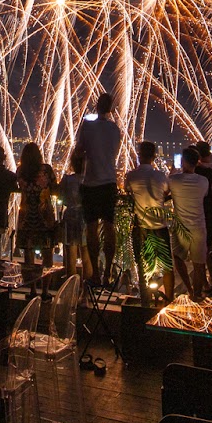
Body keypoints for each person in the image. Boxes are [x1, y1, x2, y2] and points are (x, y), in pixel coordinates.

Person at [74, 92, 122, 285]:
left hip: (91, 182)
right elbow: (114, 153)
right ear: (111, 109)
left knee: (92, 229)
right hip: (109, 182)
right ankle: (108, 272)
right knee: (110, 227)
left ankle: (94, 273)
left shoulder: (87, 127)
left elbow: (79, 151)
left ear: (96, 106)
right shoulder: (114, 129)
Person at [126, 141, 172, 305]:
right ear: (154, 156)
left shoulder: (131, 176)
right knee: (167, 265)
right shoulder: (160, 176)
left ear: (139, 156)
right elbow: (167, 192)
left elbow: (128, 192)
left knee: (142, 265)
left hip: (141, 227)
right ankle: (169, 300)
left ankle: (145, 301)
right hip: (160, 225)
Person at [168, 146, 210, 299]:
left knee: (178, 257)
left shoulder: (174, 180)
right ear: (197, 162)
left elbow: (165, 192)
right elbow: (204, 196)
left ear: (183, 161)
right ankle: (197, 294)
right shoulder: (203, 181)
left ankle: (189, 288)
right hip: (199, 226)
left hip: (181, 228)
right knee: (199, 264)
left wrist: (173, 171)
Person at [13, 143, 57, 268]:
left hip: (26, 215)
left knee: (28, 253)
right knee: (47, 253)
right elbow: (54, 186)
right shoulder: (46, 170)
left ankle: (30, 285)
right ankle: (45, 287)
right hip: (44, 214)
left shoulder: (20, 171)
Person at [194, 141, 212, 292]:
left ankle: (205, 282)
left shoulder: (195, 172)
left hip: (202, 211)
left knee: (202, 247)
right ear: (210, 153)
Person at [57, 147, 87, 279]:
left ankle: (72, 290)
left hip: (70, 218)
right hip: (86, 218)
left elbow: (62, 199)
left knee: (70, 257)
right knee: (87, 256)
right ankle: (86, 292)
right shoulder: (90, 181)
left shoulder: (67, 180)